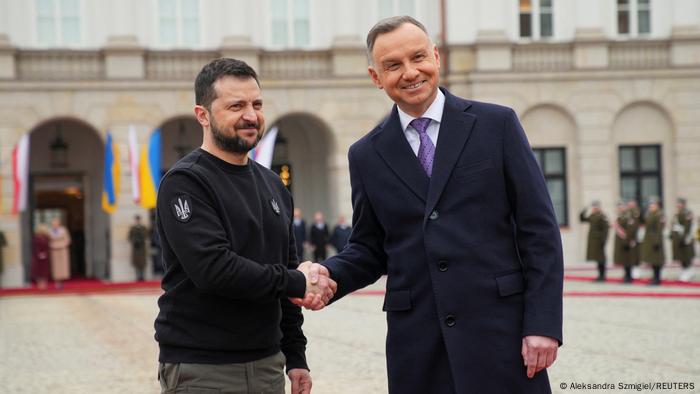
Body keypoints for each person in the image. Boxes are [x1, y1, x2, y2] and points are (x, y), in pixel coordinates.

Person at [298, 16, 563, 394]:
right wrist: (326, 276)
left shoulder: (496, 125)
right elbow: (370, 249)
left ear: (436, 57)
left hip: (502, 336)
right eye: (393, 65)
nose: (410, 73)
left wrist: (543, 325)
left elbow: (539, 231)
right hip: (418, 348)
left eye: (418, 57)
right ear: (376, 77)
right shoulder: (366, 154)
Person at [153, 58, 335, 394]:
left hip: (268, 365)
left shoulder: (274, 185)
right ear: (202, 115)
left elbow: (286, 277)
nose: (251, 115)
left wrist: (295, 356)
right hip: (203, 369)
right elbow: (214, 270)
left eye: (257, 104)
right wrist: (298, 281)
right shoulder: (185, 182)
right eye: (236, 105)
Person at [580, 201, 610, 282]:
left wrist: (603, 241)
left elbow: (606, 230)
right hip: (594, 241)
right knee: (597, 259)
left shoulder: (602, 216)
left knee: (601, 259)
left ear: (598, 208)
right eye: (593, 207)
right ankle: (599, 275)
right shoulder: (592, 216)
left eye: (595, 207)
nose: (594, 209)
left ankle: (603, 276)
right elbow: (582, 219)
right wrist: (584, 211)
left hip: (599, 241)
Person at [641, 197, 665, 285]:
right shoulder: (649, 214)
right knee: (652, 260)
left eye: (653, 204)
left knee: (657, 260)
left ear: (657, 205)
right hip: (649, 240)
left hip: (655, 240)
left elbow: (659, 229)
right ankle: (655, 277)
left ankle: (657, 278)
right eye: (650, 205)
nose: (651, 206)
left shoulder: (658, 215)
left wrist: (657, 242)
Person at [671, 198, 695, 282]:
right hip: (678, 238)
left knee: (686, 257)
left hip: (685, 239)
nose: (678, 205)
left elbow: (687, 227)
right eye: (677, 203)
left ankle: (688, 272)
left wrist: (683, 238)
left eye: (679, 203)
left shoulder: (686, 213)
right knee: (681, 256)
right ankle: (684, 271)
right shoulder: (677, 213)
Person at [49, 217, 71, 289]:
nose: (54, 224)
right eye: (53, 223)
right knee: (55, 267)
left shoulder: (63, 230)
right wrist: (52, 245)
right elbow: (48, 241)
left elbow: (68, 240)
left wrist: (62, 245)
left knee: (62, 266)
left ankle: (62, 281)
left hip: (62, 250)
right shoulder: (49, 231)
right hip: (54, 250)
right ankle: (57, 282)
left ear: (59, 223)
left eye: (56, 223)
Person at [30, 224, 51, 290]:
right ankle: (40, 285)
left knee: (44, 271)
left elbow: (47, 246)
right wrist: (39, 254)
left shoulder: (46, 237)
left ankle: (44, 284)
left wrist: (46, 253)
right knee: (39, 271)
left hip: (45, 257)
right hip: (38, 258)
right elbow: (35, 247)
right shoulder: (36, 238)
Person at [128, 215, 149, 281]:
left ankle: (142, 276)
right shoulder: (132, 228)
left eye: (138, 219)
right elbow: (129, 237)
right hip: (135, 248)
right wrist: (134, 240)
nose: (137, 221)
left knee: (142, 263)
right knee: (136, 263)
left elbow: (146, 236)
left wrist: (141, 239)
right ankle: (138, 276)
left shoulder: (143, 228)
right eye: (136, 219)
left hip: (142, 247)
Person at [626, 199, 642, 279]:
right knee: (630, 255)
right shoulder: (628, 213)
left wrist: (633, 238)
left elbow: (635, 226)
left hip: (634, 237)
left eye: (631, 204)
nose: (629, 205)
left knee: (635, 255)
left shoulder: (635, 213)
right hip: (629, 237)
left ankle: (636, 271)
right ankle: (631, 271)